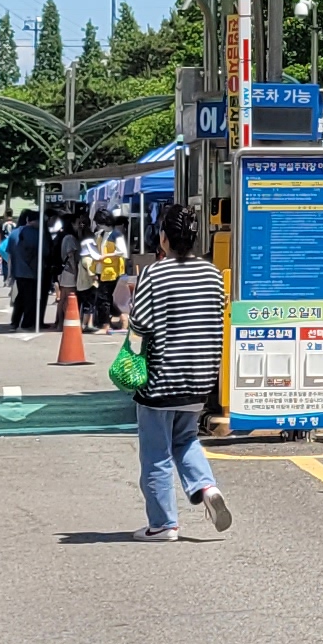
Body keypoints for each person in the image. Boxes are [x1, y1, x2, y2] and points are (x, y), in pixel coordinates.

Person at [125, 201, 231, 540]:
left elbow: (140, 324)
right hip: (199, 377)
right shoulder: (212, 274)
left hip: (161, 378)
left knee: (155, 453)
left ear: (163, 238)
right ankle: (206, 487)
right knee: (185, 439)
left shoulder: (155, 274)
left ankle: (163, 524)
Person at [6, 208, 42, 332]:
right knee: (29, 298)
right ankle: (26, 323)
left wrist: (9, 274)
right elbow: (43, 251)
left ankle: (15, 322)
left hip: (18, 271)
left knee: (20, 297)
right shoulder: (37, 234)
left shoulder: (14, 233)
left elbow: (9, 254)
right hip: (32, 271)